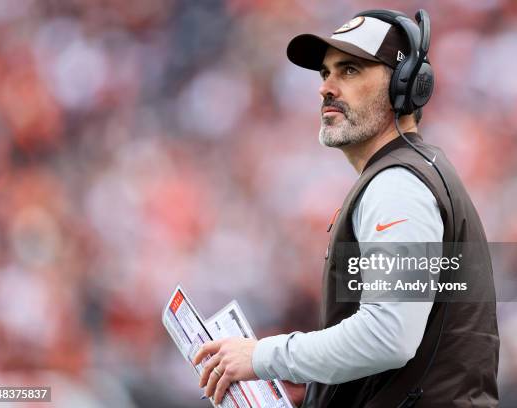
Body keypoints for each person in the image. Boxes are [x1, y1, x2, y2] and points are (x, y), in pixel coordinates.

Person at [193, 9, 499, 407]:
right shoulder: (406, 174)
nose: (326, 88)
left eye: (350, 70)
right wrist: (322, 383)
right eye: (325, 73)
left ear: (406, 86)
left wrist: (263, 357)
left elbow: (389, 335)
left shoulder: (398, 185)